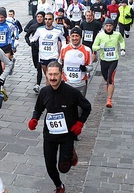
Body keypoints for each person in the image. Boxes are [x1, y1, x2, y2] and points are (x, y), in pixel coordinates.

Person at [28, 61, 91, 193]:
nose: (52, 78)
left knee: (63, 167)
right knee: (50, 166)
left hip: (67, 135)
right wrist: (34, 119)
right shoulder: (44, 92)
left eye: (56, 74)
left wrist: (80, 123)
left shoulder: (72, 93)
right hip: (50, 135)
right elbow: (38, 109)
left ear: (61, 75)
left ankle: (70, 153)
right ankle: (59, 186)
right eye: (50, 74)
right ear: (46, 74)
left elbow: (87, 107)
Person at [92, 18, 126, 108]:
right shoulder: (100, 35)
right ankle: (109, 85)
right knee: (106, 78)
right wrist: (100, 47)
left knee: (110, 78)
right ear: (104, 26)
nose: (108, 27)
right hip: (103, 60)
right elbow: (94, 47)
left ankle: (109, 99)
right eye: (106, 26)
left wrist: (123, 49)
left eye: (110, 26)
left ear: (113, 26)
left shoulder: (117, 34)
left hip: (114, 60)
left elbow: (122, 41)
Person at [30, 12, 65, 85]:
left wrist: (63, 48)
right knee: (47, 76)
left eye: (49, 19)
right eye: (45, 19)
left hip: (53, 56)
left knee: (52, 75)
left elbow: (63, 39)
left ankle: (52, 92)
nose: (47, 21)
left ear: (52, 20)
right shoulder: (40, 30)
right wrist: (32, 42)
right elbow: (33, 38)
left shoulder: (57, 31)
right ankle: (50, 91)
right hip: (43, 56)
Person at [60, 27, 93, 97]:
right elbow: (59, 63)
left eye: (77, 36)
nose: (74, 38)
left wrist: (85, 69)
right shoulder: (64, 48)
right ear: (70, 37)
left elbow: (90, 67)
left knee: (80, 106)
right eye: (73, 36)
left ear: (81, 37)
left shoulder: (87, 50)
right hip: (67, 82)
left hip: (81, 83)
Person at [0, 7, 18, 75]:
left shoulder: (9, 23)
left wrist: (16, 37)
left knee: (3, 66)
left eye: (2, 17)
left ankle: (2, 82)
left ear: (5, 17)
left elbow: (16, 28)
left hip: (6, 47)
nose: (0, 19)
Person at [25, 11, 45, 94]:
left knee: (39, 67)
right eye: (38, 17)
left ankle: (37, 84)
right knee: (36, 65)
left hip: (43, 50)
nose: (39, 18)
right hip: (34, 49)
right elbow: (26, 36)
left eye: (41, 17)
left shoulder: (46, 27)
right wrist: (29, 43)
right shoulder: (33, 26)